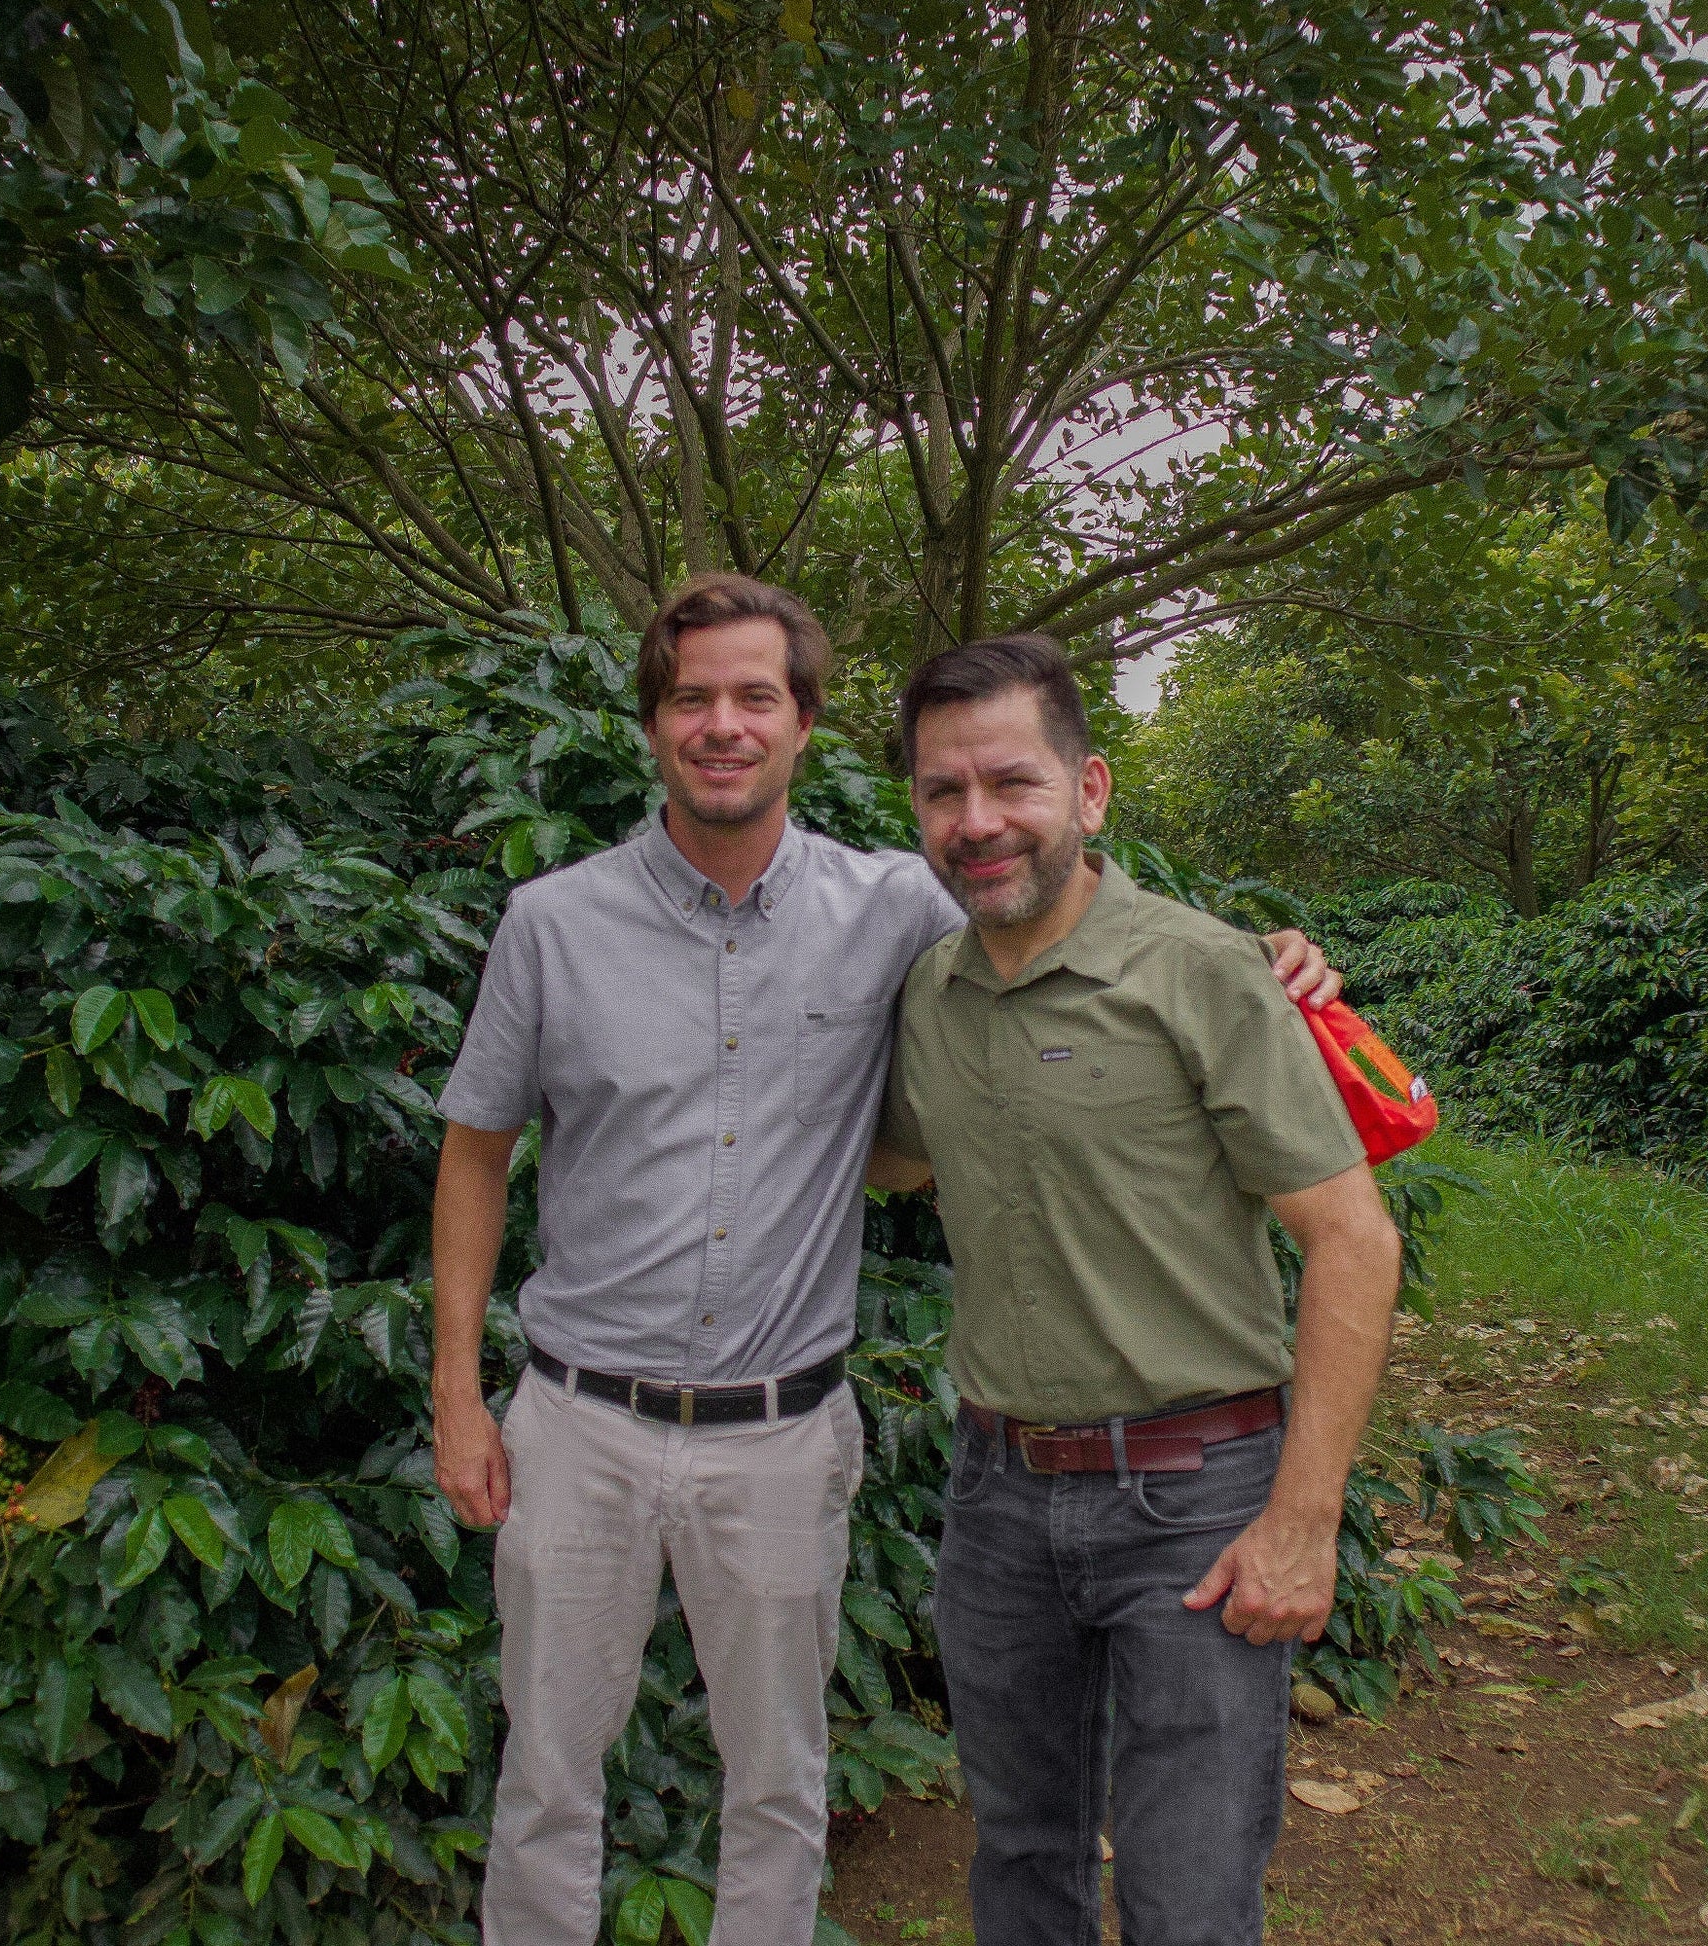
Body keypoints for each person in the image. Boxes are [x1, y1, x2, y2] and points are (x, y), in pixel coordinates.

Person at [429, 578, 1339, 1946]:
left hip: (785, 1432)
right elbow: (474, 1151)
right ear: (653, 723)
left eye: (754, 697)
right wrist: (457, 1392)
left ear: (804, 723)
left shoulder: (899, 905)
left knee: (781, 1787)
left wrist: (1255, 959)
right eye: (691, 697)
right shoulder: (552, 921)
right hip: (576, 1422)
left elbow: (1061, 902)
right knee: (547, 1778)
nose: (721, 724)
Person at [871, 633, 1403, 1946]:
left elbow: (1352, 1240)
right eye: (943, 791)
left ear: (1089, 789)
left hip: (1196, 1501)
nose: (978, 819)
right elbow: (880, 1158)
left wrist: (1302, 1517)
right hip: (997, 1498)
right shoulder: (925, 996)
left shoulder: (1202, 971)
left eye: (1012, 781)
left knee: (1187, 1893)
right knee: (1020, 1861)